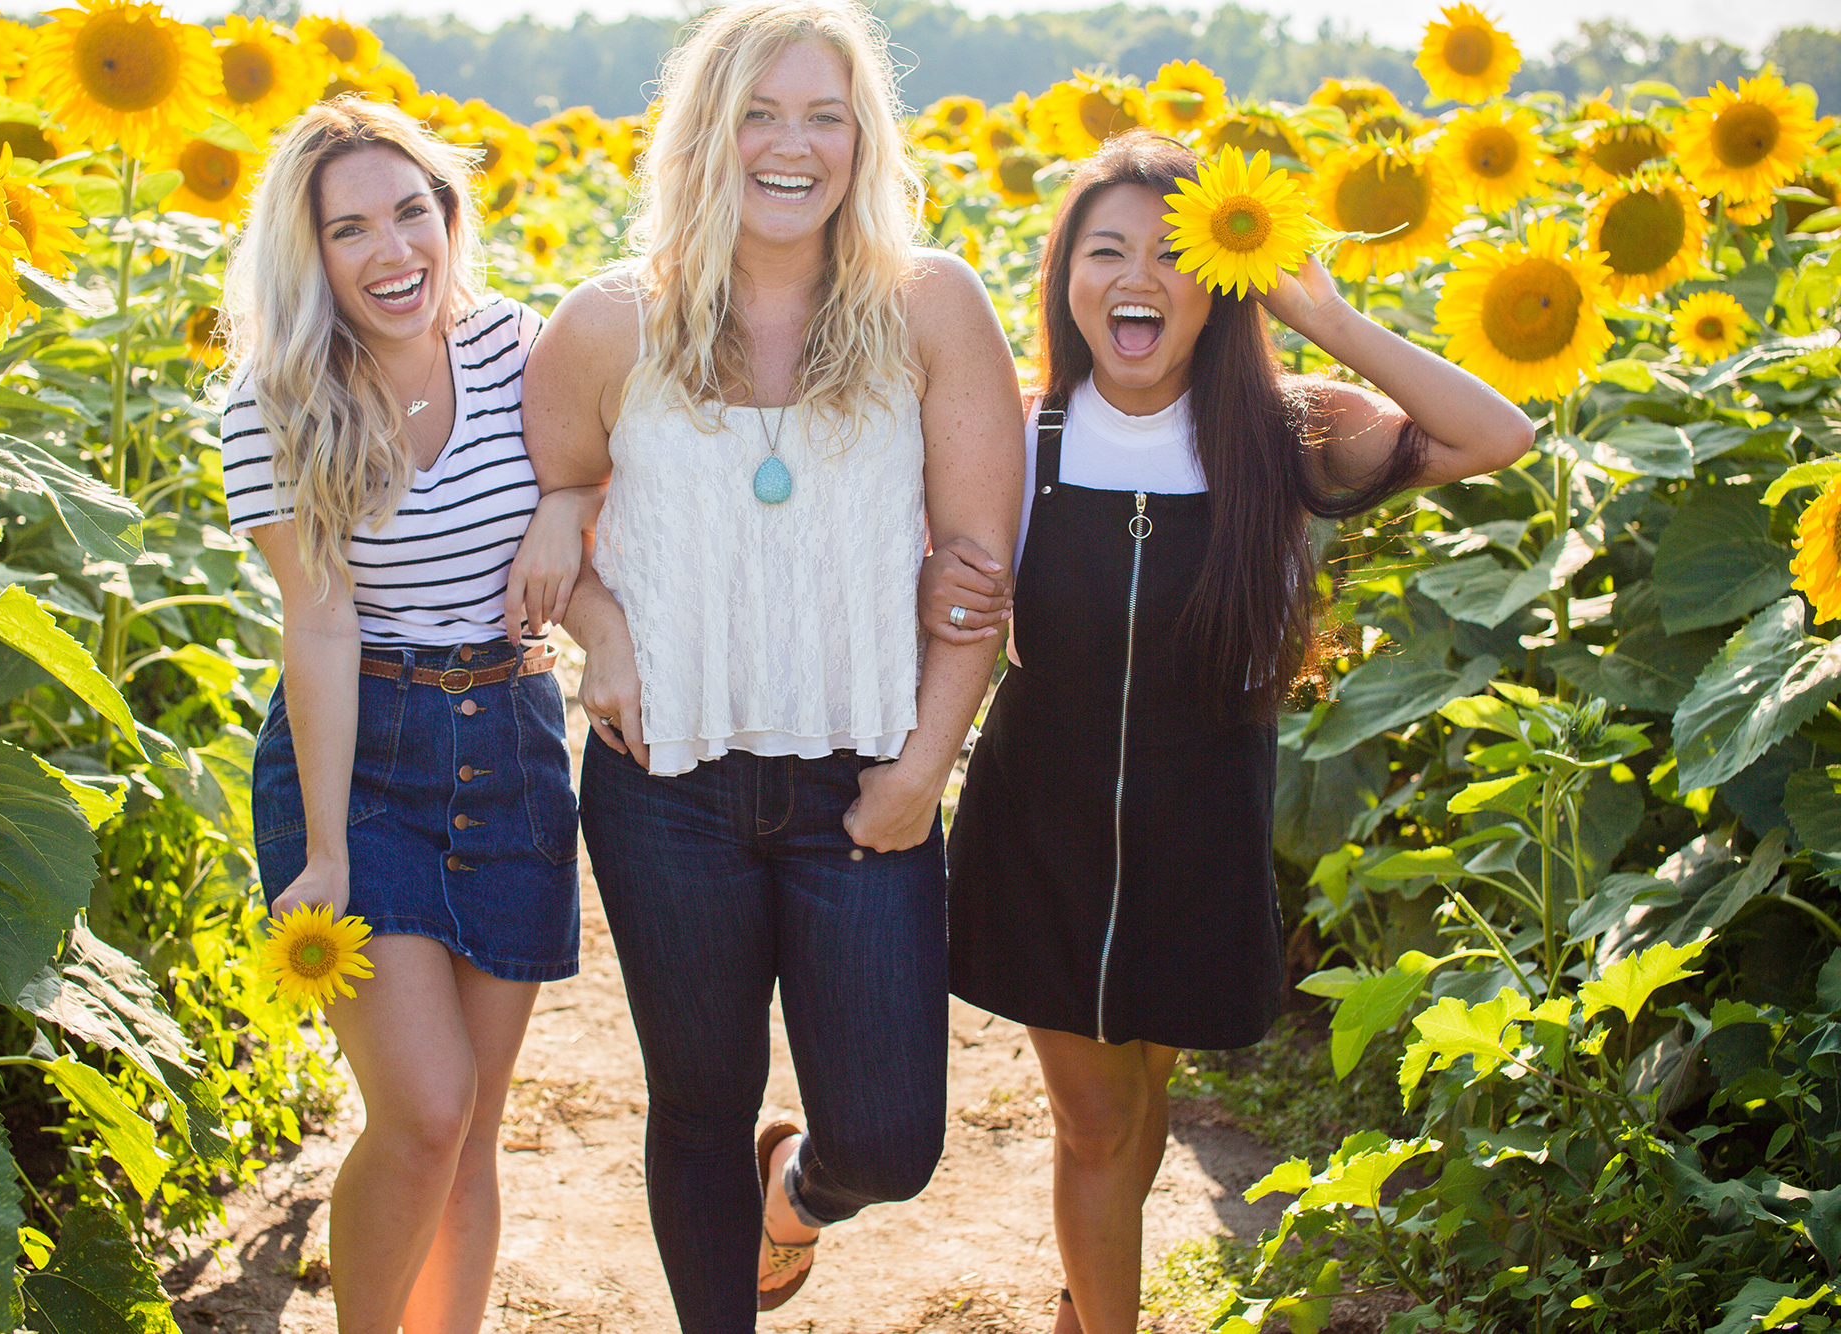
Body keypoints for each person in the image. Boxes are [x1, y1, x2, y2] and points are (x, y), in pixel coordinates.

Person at [921, 129, 1535, 1334]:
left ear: (1223, 281)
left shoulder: (1281, 431)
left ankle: (1080, 1288)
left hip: (1203, 816)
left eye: (1172, 251)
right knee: (1096, 1120)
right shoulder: (1019, 428)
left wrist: (1329, 319)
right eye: (1104, 250)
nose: (1134, 276)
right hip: (1043, 816)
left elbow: (1494, 434)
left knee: (1144, 1095)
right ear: (1065, 278)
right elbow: (924, 566)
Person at [516, 0, 1024, 1326]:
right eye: (759, 111)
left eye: (825, 115)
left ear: (865, 141)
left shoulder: (932, 308)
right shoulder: (607, 325)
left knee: (894, 1137)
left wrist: (922, 771)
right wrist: (606, 631)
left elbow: (978, 579)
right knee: (695, 1098)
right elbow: (556, 517)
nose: (791, 146)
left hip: (864, 791)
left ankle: (797, 1191)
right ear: (705, 131)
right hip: (664, 785)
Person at [220, 98, 593, 1334]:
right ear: (310, 253)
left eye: (410, 212)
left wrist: (564, 504)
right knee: (423, 1107)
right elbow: (319, 624)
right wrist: (323, 848)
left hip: (512, 743)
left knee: (475, 1121)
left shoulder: (519, 349)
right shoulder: (274, 398)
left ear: (449, 216)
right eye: (350, 229)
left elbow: (605, 456)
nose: (391, 252)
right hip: (359, 754)